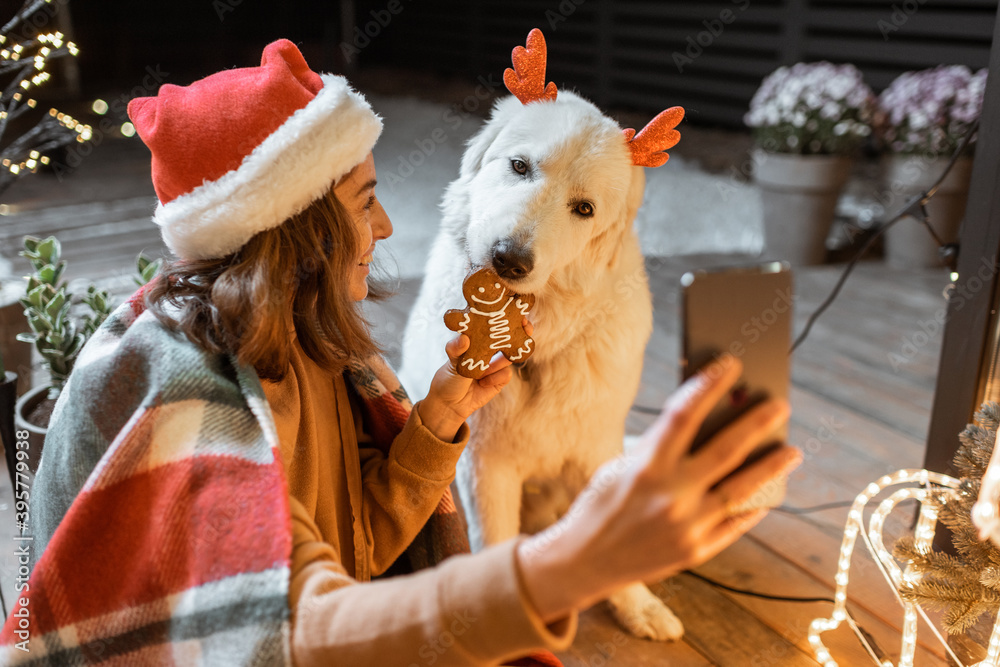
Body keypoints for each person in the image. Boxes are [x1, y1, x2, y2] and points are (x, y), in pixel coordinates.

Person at [0, 40, 800, 666]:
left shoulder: (317, 349)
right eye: (366, 202)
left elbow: (351, 547)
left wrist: (439, 417)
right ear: (295, 229)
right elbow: (296, 629)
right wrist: (567, 566)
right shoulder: (193, 389)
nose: (386, 230)